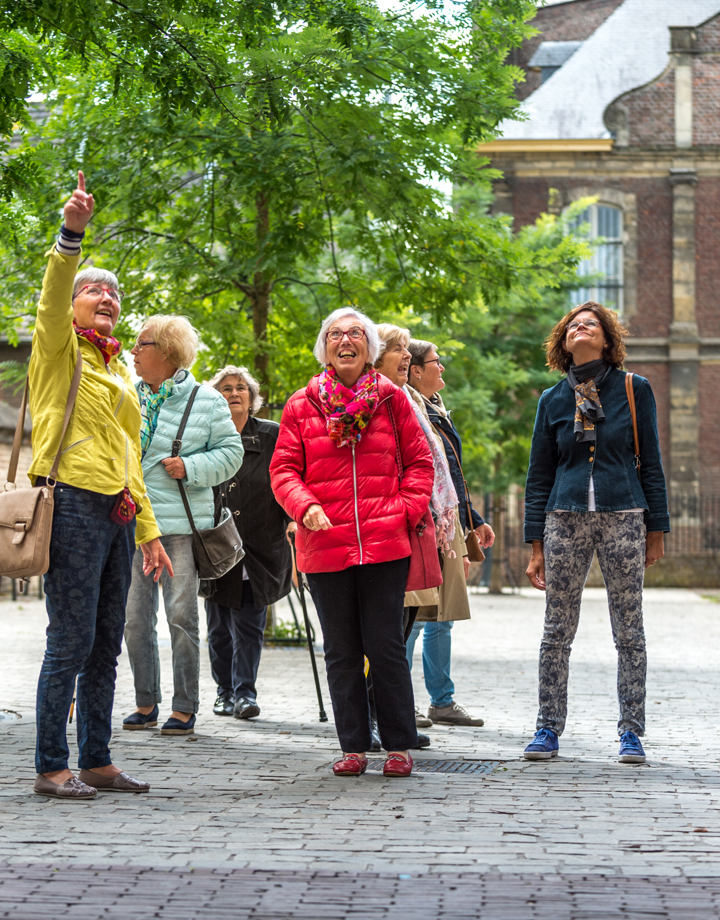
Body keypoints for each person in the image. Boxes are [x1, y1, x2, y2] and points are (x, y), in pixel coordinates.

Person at [30, 171, 173, 800]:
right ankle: (50, 766)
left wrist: (150, 531)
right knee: (72, 637)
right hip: (71, 504)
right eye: (92, 291)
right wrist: (72, 237)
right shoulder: (57, 349)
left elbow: (130, 458)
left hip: (116, 510)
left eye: (112, 294)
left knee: (106, 641)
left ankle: (96, 759)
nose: (104, 297)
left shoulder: (117, 369)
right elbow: (52, 292)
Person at [270, 307, 434, 777]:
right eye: (336, 334)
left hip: (385, 544)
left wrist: (403, 512)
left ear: (370, 348)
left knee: (384, 647)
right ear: (325, 346)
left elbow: (420, 464)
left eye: (356, 333)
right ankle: (353, 747)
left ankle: (399, 745)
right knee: (341, 650)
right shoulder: (302, 404)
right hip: (324, 545)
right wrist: (304, 507)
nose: (346, 340)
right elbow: (283, 470)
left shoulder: (391, 400)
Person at [523, 302, 669, 764]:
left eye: (589, 324)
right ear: (563, 343)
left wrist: (657, 529)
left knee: (629, 629)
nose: (579, 329)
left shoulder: (633, 389)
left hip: (624, 514)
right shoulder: (552, 400)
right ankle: (547, 728)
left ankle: (631, 731)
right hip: (563, 517)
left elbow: (654, 464)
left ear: (607, 340)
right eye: (572, 326)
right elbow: (538, 475)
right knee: (555, 630)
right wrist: (535, 543)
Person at [122, 318, 244, 735]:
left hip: (178, 528)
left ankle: (184, 706)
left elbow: (232, 454)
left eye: (142, 344)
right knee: (134, 618)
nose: (133, 352)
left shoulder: (206, 400)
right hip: (133, 525)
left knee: (180, 616)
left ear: (168, 351)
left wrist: (190, 466)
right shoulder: (124, 395)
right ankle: (145, 702)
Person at [374, 324, 460, 738]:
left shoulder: (410, 399)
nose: (405, 355)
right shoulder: (370, 399)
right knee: (386, 630)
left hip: (419, 523)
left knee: (406, 621)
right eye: (397, 348)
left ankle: (394, 719)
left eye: (407, 348)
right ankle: (377, 718)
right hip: (389, 525)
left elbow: (432, 461)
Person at [405, 339, 495, 727]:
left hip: (447, 522)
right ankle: (399, 701)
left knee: (444, 615)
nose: (442, 368)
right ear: (415, 370)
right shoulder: (408, 409)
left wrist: (473, 520)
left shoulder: (437, 412)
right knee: (412, 613)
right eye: (435, 362)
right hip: (422, 523)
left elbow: (450, 475)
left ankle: (441, 701)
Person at [204, 365, 295, 721]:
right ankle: (223, 692)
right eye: (226, 388)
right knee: (218, 628)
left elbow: (290, 476)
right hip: (214, 545)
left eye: (241, 388)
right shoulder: (206, 437)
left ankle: (245, 694)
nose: (234, 393)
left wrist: (292, 518)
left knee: (250, 625)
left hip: (259, 547)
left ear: (252, 398)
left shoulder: (272, 435)